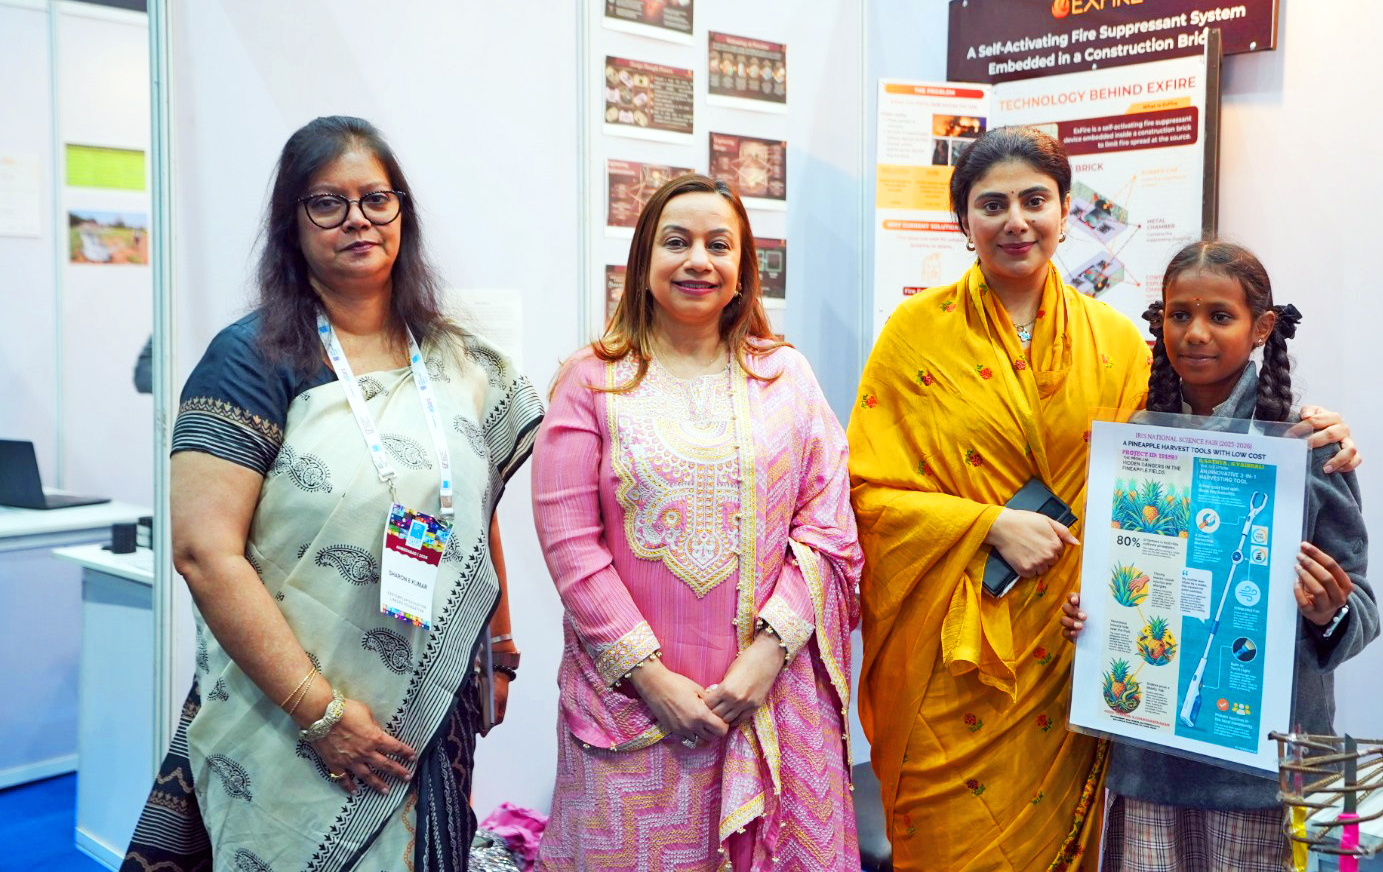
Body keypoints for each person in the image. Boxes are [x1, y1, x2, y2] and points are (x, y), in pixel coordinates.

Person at [846, 126, 1359, 871]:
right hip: (950, 669)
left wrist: (1322, 427)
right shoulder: (912, 337)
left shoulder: (1117, 343)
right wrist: (986, 524)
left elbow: (1178, 463)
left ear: (1065, 212)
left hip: (1076, 657)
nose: (1015, 220)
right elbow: (867, 493)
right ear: (964, 222)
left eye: (1034, 200)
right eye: (992, 204)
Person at [121, 116, 544, 872]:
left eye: (376, 199)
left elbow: (475, 512)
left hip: (429, 711)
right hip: (283, 718)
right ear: (293, 222)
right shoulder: (250, 360)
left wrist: (501, 652)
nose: (357, 219)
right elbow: (203, 554)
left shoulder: (455, 359)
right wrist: (320, 713)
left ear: (402, 213)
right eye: (327, 202)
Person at [531, 174, 861, 870]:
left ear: (743, 270)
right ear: (644, 261)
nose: (698, 261)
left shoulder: (785, 376)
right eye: (676, 242)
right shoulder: (592, 380)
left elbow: (828, 527)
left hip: (770, 705)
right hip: (633, 713)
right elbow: (570, 546)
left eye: (719, 245)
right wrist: (650, 679)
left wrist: (764, 660)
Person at [1061, 240, 1378, 872]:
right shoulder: (1137, 442)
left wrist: (1328, 612)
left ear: (1261, 328)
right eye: (1179, 315)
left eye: (1220, 316)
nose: (1196, 333)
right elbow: (1127, 573)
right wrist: (1092, 617)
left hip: (1264, 776)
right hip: (1150, 766)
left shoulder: (1306, 443)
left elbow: (1361, 609)